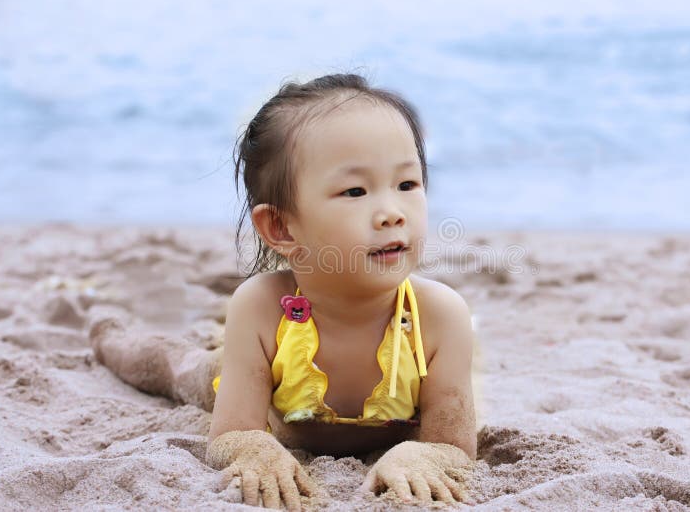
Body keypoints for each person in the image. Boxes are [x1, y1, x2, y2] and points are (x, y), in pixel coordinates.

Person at [90, 73, 476, 510]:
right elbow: (231, 434)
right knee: (176, 367)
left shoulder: (440, 315)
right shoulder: (260, 307)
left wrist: (417, 454)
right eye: (354, 190)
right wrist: (254, 449)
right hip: (241, 380)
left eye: (407, 184)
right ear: (281, 226)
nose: (392, 213)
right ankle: (109, 339)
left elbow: (455, 447)